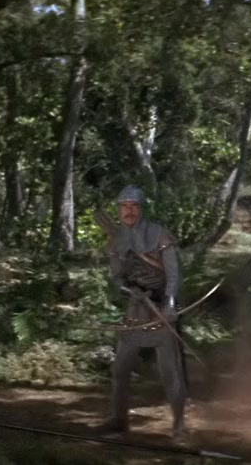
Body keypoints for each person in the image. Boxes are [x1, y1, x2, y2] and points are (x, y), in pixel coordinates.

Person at [97, 185, 187, 440]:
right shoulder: (116, 240)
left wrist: (169, 303)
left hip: (160, 310)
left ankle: (179, 425)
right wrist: (129, 290)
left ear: (142, 208)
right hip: (135, 310)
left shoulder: (159, 235)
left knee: (170, 372)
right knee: (120, 369)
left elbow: (174, 275)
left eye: (133, 206)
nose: (129, 211)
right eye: (124, 206)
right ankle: (119, 420)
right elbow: (117, 278)